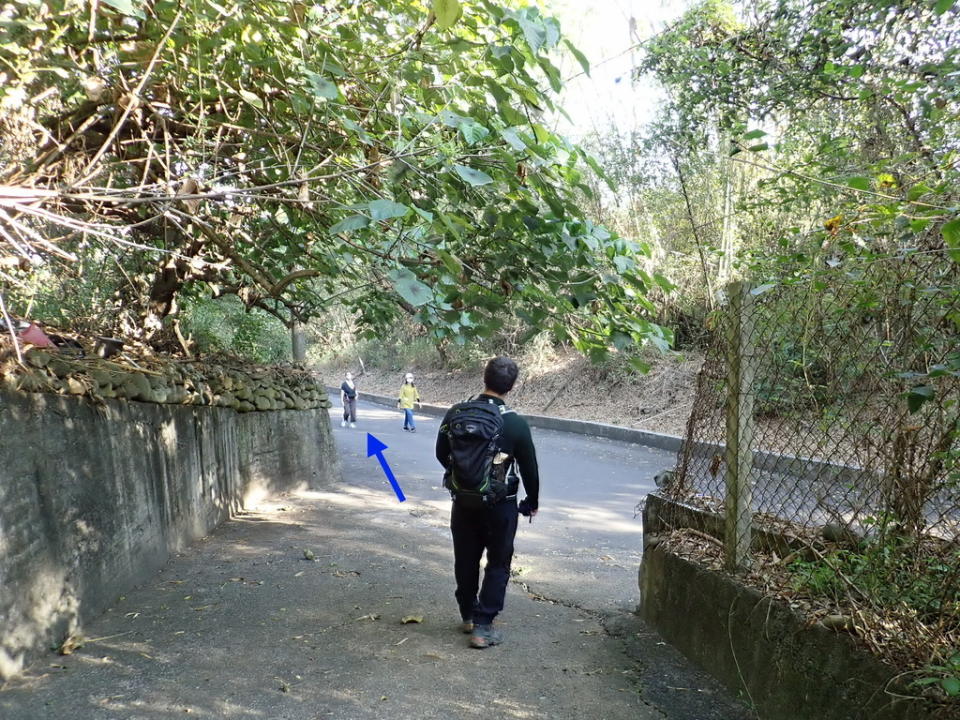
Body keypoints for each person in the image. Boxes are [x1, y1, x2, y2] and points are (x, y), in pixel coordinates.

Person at [435, 356, 539, 649]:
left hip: (464, 501)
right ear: (512, 385)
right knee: (498, 563)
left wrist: (465, 477)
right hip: (501, 504)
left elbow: (441, 452)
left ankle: (468, 614)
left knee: (466, 557)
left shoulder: (457, 412)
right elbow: (530, 468)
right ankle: (483, 626)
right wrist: (532, 501)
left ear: (485, 378)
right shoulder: (515, 423)